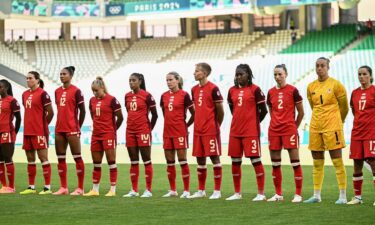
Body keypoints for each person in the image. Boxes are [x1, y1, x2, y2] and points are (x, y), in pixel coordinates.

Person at [304, 57, 349, 204]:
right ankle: (316, 195)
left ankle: (342, 195)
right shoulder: (311, 86)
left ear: (328, 67)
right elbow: (313, 106)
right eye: (317, 66)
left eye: (322, 65)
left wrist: (338, 122)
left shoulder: (336, 85)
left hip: (332, 126)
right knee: (317, 162)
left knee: (337, 161)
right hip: (316, 126)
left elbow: (344, 107)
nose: (319, 68)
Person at [225, 64, 268, 201]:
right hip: (235, 131)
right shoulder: (231, 91)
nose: (238, 77)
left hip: (251, 132)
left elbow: (264, 111)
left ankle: (261, 194)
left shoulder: (255, 90)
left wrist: (253, 123)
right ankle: (237, 193)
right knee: (235, 161)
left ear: (248, 75)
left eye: (241, 74)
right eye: (236, 75)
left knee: (255, 161)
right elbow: (233, 110)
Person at [266, 64, 304, 203]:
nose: (277, 77)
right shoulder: (270, 92)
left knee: (295, 163)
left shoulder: (293, 90)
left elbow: (301, 112)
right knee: (275, 163)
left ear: (286, 74)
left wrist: (294, 127)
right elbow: (271, 110)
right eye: (275, 74)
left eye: (280, 74)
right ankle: (278, 194)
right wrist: (276, 122)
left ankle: (298, 194)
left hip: (289, 130)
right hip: (274, 131)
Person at [188, 63, 224, 199]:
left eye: (196, 71)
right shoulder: (193, 89)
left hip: (210, 130)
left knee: (215, 158)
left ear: (205, 73)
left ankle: (217, 191)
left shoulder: (214, 88)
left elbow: (220, 110)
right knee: (200, 160)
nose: (194, 73)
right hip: (198, 130)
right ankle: (201, 191)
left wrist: (216, 126)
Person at [84, 77, 123, 197]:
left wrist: (112, 130)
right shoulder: (92, 100)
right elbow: (93, 115)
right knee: (96, 163)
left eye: (96, 90)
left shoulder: (112, 100)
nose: (94, 93)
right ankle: (95, 189)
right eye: (93, 91)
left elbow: (120, 117)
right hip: (96, 135)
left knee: (111, 162)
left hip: (108, 134)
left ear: (102, 88)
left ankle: (113, 190)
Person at [160, 72, 195, 198]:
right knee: (169, 162)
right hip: (167, 133)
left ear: (177, 80)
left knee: (182, 161)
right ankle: (173, 190)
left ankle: (186, 190)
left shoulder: (185, 95)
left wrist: (186, 125)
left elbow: (194, 113)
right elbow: (165, 113)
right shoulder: (163, 96)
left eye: (171, 80)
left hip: (180, 132)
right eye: (167, 80)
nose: (168, 82)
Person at [123, 73, 158, 198]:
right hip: (130, 131)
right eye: (129, 80)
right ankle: (134, 190)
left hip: (143, 131)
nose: (131, 83)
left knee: (146, 160)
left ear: (140, 81)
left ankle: (148, 190)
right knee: (133, 161)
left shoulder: (147, 96)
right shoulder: (127, 96)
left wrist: (148, 129)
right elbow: (129, 112)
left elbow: (155, 115)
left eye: (133, 80)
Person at [20, 71, 54, 195]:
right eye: (27, 78)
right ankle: (31, 187)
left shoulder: (43, 94)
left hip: (39, 131)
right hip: (27, 131)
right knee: (30, 159)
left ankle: (47, 187)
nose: (28, 80)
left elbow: (50, 112)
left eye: (30, 78)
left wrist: (43, 126)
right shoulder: (24, 94)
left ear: (37, 80)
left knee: (43, 158)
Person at [53, 66, 86, 196]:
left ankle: (80, 188)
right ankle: (63, 188)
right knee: (60, 158)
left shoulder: (77, 91)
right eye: (60, 74)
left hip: (72, 129)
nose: (61, 76)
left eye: (64, 74)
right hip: (59, 129)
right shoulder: (56, 91)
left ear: (70, 76)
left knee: (77, 157)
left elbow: (83, 110)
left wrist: (78, 126)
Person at [347, 66, 375, 205]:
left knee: (374, 163)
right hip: (357, 133)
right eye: (359, 74)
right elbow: (354, 110)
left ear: (370, 76)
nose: (361, 77)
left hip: (371, 133)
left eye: (364, 74)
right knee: (357, 164)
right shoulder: (354, 93)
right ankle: (358, 197)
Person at [0, 79, 21, 194]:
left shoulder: (12, 101)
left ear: (6, 88)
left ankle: (11, 187)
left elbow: (19, 118)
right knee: (0, 161)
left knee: (8, 159)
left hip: (7, 132)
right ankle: (4, 186)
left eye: (1, 87)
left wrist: (14, 132)